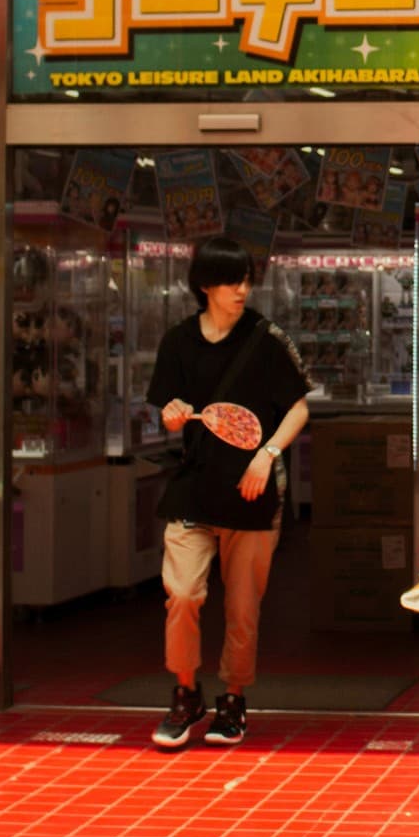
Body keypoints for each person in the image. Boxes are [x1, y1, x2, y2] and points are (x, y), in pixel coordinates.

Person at [146, 235, 311, 749]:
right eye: (231, 281)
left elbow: (299, 408)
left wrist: (267, 455)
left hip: (252, 495)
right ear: (204, 286)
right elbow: (168, 409)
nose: (242, 289)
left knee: (242, 607)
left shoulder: (266, 339)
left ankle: (233, 698)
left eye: (246, 280)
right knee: (183, 595)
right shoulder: (177, 342)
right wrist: (171, 415)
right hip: (194, 491)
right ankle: (185, 691)